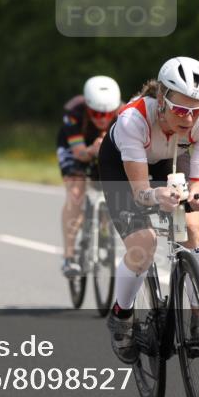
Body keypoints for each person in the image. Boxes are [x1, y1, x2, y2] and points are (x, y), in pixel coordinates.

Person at [98, 57, 199, 363]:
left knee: (191, 227)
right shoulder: (132, 119)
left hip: (169, 159)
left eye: (196, 110)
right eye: (180, 110)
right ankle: (121, 315)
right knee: (144, 244)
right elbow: (139, 192)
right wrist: (156, 196)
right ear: (161, 99)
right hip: (123, 166)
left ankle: (198, 316)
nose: (189, 119)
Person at [56, 76, 122, 278]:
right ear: (87, 106)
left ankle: (104, 229)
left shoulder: (126, 112)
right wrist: (92, 150)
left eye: (108, 114)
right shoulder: (73, 112)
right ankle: (69, 257)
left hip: (107, 148)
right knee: (75, 193)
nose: (102, 119)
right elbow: (79, 153)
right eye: (96, 113)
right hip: (76, 148)